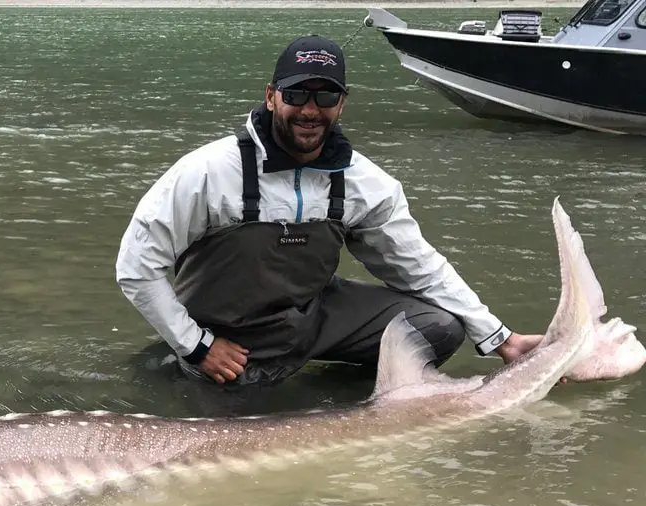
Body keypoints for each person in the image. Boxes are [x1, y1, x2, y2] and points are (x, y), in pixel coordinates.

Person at [115, 34, 542, 392]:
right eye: (296, 93)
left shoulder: (364, 181)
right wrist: (197, 346)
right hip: (230, 344)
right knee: (227, 434)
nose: (310, 109)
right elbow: (137, 267)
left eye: (326, 96)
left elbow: (419, 266)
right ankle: (196, 368)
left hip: (311, 321)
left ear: (342, 103)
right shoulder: (207, 171)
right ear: (271, 96)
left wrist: (500, 338)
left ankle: (340, 402)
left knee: (438, 328)